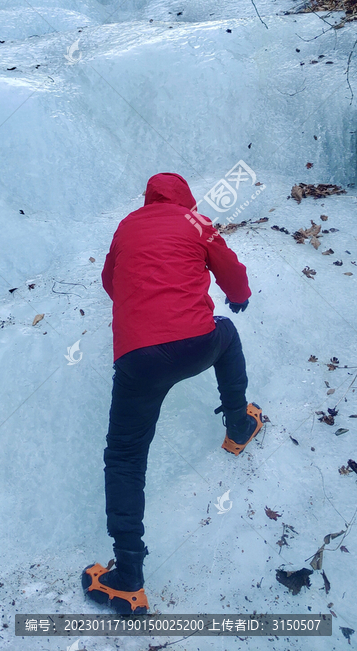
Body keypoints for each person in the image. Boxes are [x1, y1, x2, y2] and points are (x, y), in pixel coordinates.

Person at [82, 172, 263, 614]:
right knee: (229, 333)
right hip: (197, 343)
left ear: (147, 200)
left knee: (125, 457)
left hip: (138, 360)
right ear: (186, 199)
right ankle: (239, 426)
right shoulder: (196, 221)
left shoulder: (127, 226)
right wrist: (237, 298)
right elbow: (232, 273)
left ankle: (127, 578)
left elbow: (111, 281)